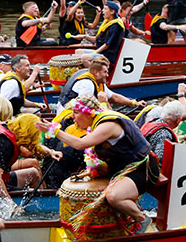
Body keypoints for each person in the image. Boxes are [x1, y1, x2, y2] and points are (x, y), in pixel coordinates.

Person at [36, 95, 158, 224]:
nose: (72, 117)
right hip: (123, 169)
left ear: (89, 113)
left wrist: (54, 131)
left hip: (142, 168)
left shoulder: (108, 125)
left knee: (114, 197)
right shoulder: (95, 123)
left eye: (76, 113)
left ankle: (141, 220)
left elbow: (80, 144)